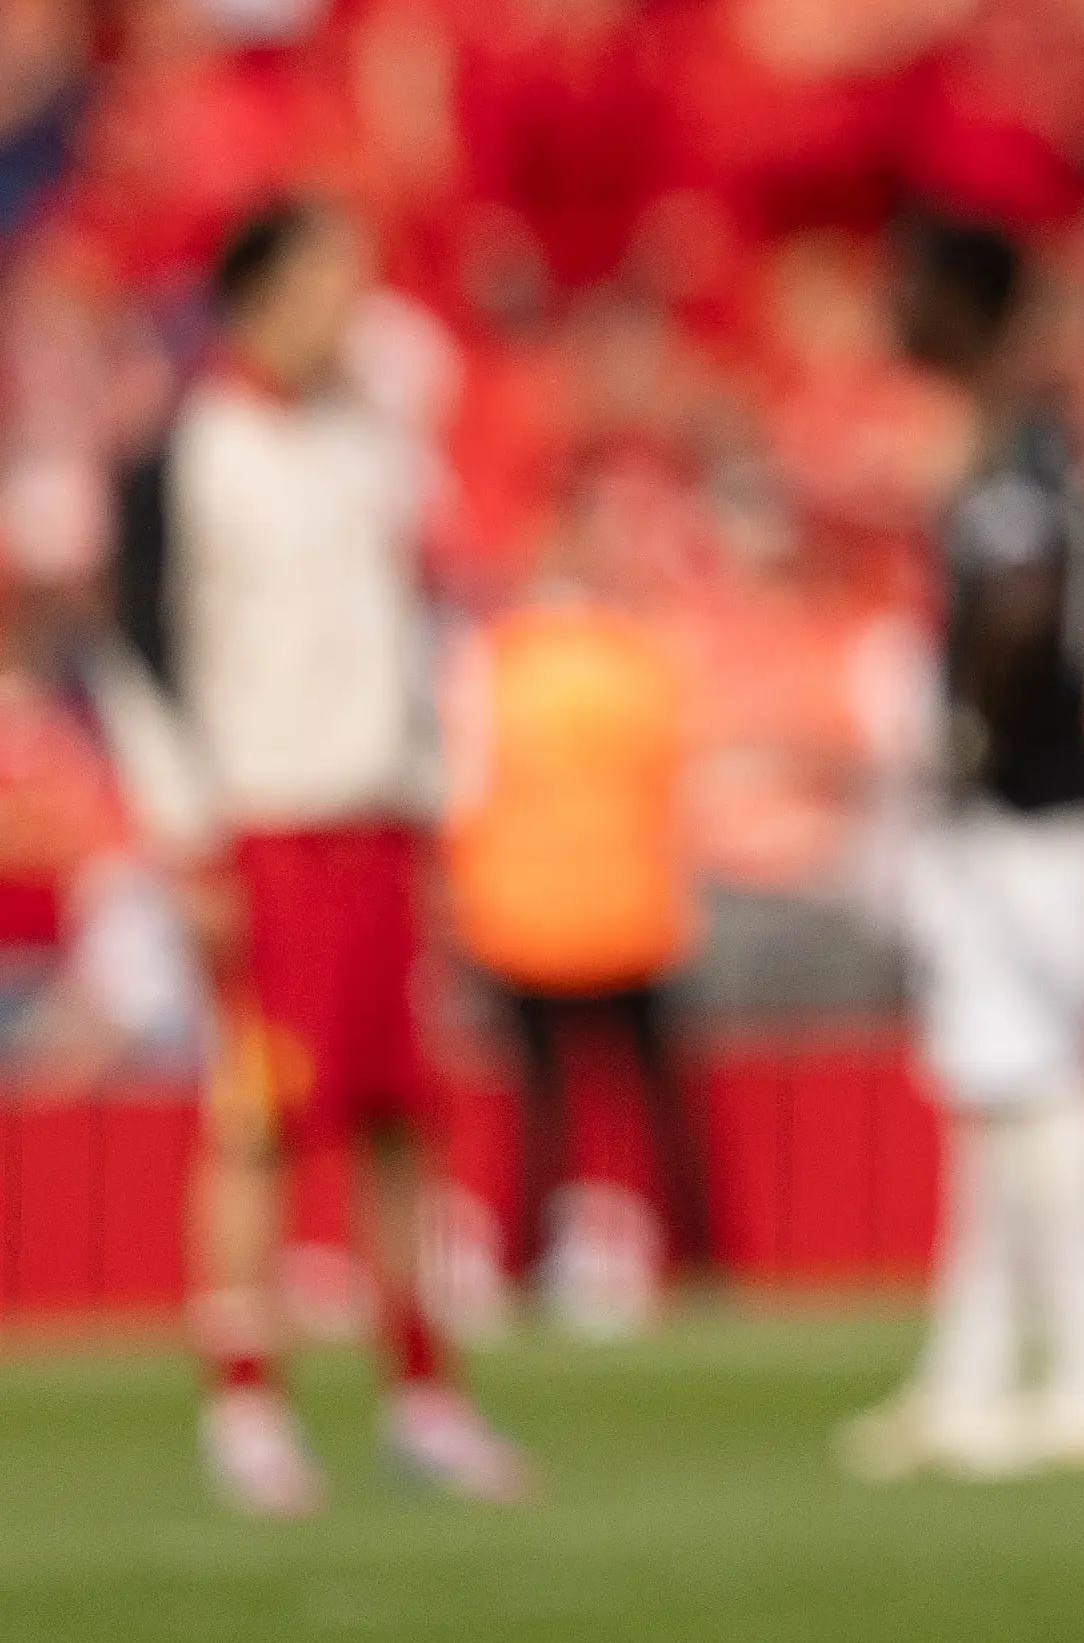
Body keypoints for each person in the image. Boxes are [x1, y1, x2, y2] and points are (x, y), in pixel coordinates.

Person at [93, 195, 530, 1513]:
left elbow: (412, 633)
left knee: (406, 1114)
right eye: (335, 279)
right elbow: (139, 655)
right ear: (266, 293)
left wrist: (438, 799)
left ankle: (423, 1392)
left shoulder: (370, 442)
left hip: (378, 817)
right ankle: (247, 1408)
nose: (356, 306)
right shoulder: (190, 450)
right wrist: (191, 837)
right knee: (260, 1117)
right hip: (264, 824)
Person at [837, 213, 1084, 1482]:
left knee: (1050, 1091)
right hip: (1023, 819)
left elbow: (1024, 610)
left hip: (1033, 818)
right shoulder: (1017, 438)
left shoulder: (1021, 448)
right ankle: (971, 1376)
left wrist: (961, 746)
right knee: (995, 1094)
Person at [443, 501, 710, 1323]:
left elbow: (460, 789)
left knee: (538, 1110)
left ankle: (526, 1260)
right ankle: (697, 1259)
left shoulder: (491, 663)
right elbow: (675, 776)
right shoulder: (638, 657)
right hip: (631, 909)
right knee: (660, 1104)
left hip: (522, 916)